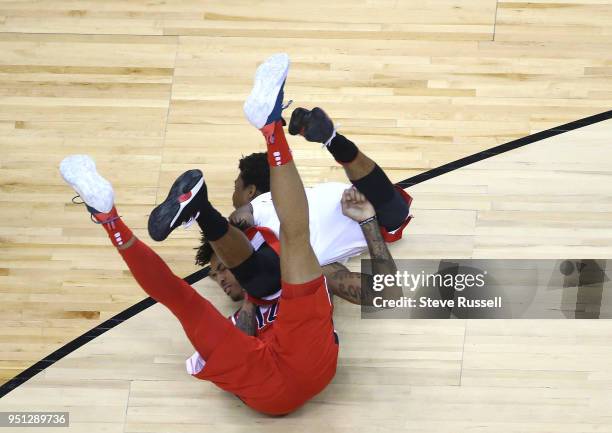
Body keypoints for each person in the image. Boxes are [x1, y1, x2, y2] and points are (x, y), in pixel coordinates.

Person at [59, 53, 345, 415]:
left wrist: (252, 307)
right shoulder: (259, 293)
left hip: (273, 385)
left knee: (186, 299)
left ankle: (115, 217)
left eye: (219, 271)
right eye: (217, 273)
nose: (221, 280)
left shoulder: (249, 292)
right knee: (194, 293)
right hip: (303, 362)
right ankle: (112, 216)